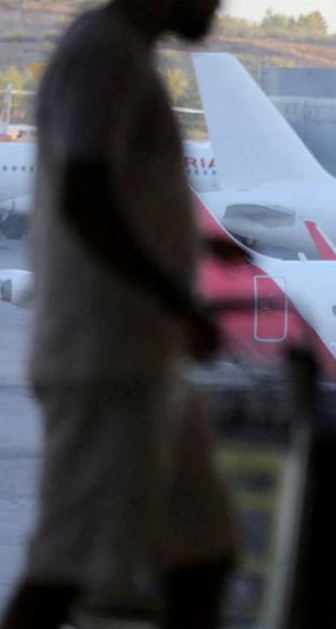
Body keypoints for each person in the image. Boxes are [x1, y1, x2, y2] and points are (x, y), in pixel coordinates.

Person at [1, 1, 236, 627]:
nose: (218, 6)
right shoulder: (105, 55)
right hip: (104, 362)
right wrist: (176, 297)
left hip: (141, 361)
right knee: (62, 572)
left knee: (203, 559)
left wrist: (190, 243)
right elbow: (86, 192)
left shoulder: (119, 52)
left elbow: (112, 193)